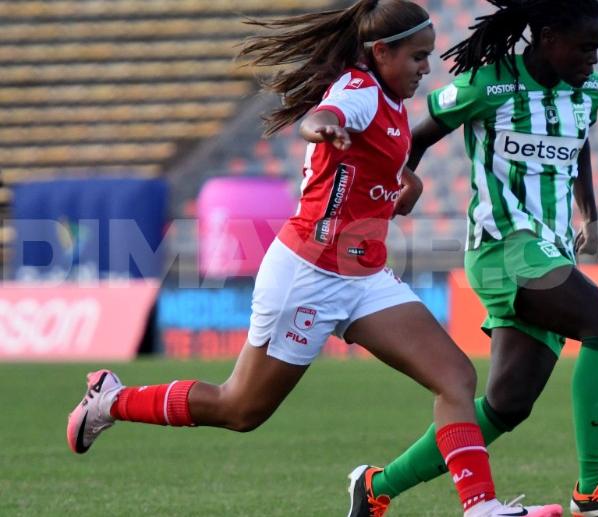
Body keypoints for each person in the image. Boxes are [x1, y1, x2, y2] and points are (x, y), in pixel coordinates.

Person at [66, 2, 562, 516]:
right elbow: (325, 116)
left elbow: (361, 173)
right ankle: (110, 400)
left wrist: (400, 183)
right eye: (417, 57)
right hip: (308, 274)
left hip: (363, 275)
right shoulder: (361, 90)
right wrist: (323, 127)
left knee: (456, 377)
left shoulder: (390, 103)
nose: (425, 68)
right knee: (241, 408)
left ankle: (481, 508)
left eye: (428, 57)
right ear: (381, 52)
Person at [348, 1, 598, 516]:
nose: (593, 60)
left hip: (550, 251)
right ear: (548, 36)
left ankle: (377, 487)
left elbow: (578, 143)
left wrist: (590, 213)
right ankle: (592, 488)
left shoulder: (589, 91)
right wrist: (400, 182)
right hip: (502, 247)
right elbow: (416, 137)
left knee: (506, 407)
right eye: (585, 48)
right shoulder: (489, 84)